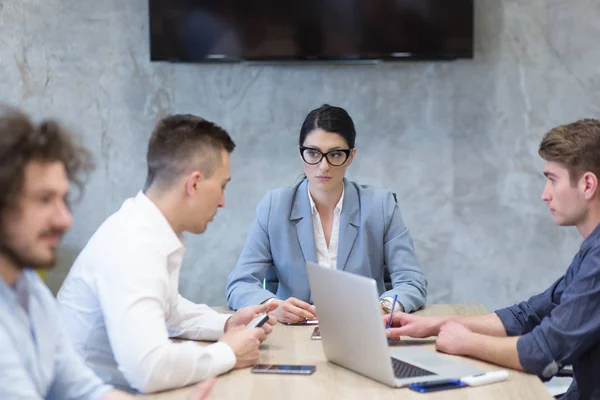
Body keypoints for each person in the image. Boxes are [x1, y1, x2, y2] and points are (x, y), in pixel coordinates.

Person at [0, 105, 215, 399]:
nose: (64, 219)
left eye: (63, 199)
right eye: (43, 199)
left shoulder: (30, 292)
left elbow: (82, 389)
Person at [57, 114, 277, 394]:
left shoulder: (143, 227)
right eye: (222, 186)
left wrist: (228, 323)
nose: (222, 201)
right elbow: (148, 369)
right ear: (194, 183)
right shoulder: (133, 246)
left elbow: (169, 311)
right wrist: (228, 353)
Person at [385, 119, 600, 400]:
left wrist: (466, 342)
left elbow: (542, 351)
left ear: (587, 185)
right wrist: (435, 325)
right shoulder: (590, 251)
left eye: (552, 180)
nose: (544, 195)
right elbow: (530, 315)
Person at [226, 104, 427, 323]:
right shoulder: (274, 206)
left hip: (361, 329)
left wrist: (383, 307)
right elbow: (240, 284)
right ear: (300, 153)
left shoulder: (381, 205)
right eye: (313, 153)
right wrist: (272, 307)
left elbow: (412, 281)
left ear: (351, 157)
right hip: (291, 334)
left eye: (335, 154)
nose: (323, 166)